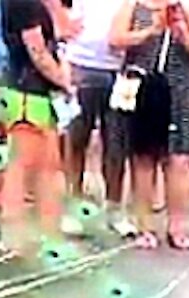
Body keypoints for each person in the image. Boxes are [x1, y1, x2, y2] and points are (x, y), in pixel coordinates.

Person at [110, 0, 189, 250]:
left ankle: (177, 227)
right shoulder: (134, 5)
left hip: (178, 89)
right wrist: (149, 31)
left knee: (178, 160)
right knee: (143, 160)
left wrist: (182, 33)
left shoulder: (188, 7)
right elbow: (115, 40)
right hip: (143, 88)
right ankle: (144, 225)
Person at [0, 0, 72, 243]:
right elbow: (37, 52)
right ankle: (13, 238)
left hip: (35, 93)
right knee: (21, 166)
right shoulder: (24, 4)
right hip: (26, 94)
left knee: (47, 167)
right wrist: (63, 81)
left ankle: (46, 231)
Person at [65, 0, 138, 237]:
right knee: (77, 139)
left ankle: (115, 208)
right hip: (82, 64)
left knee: (116, 144)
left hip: (118, 69)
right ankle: (72, 206)